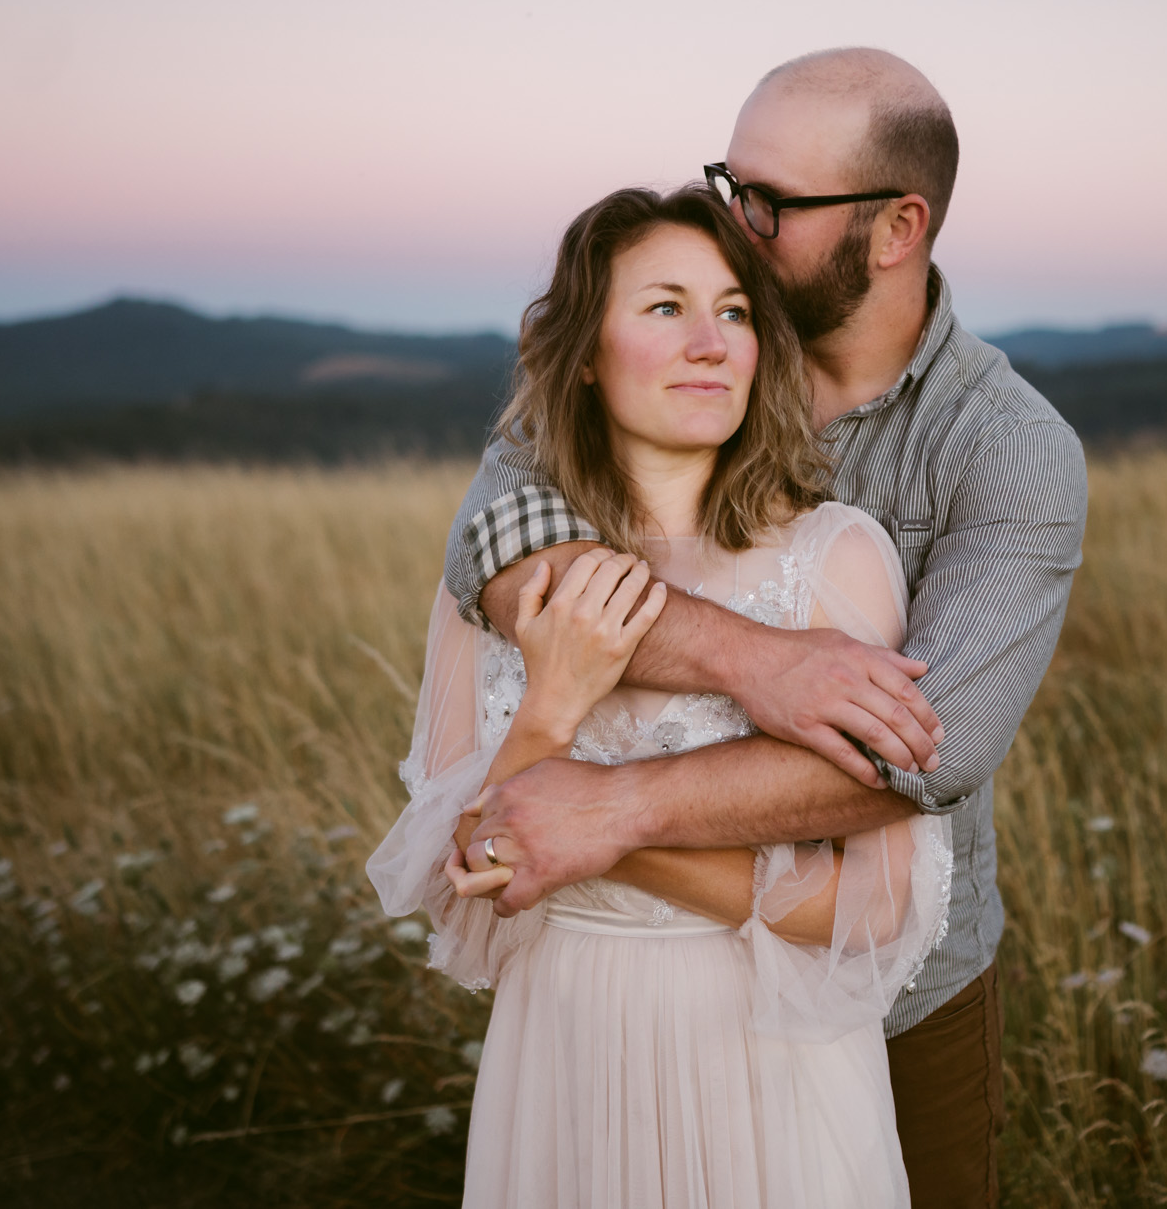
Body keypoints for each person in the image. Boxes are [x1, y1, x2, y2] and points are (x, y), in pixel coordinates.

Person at [444, 48, 1089, 1207]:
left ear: (896, 228)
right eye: (730, 182)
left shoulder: (1005, 449)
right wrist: (759, 659)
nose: (735, 226)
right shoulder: (688, 350)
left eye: (773, 204)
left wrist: (616, 808)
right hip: (623, 995)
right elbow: (498, 553)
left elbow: (912, 751)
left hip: (900, 990)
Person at [369, 184, 951, 1207]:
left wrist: (611, 830)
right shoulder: (499, 582)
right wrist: (549, 708)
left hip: (762, 1066)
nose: (708, 341)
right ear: (584, 352)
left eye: (733, 312)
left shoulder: (833, 560)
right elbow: (465, 910)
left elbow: (880, 902)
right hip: (560, 1047)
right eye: (663, 307)